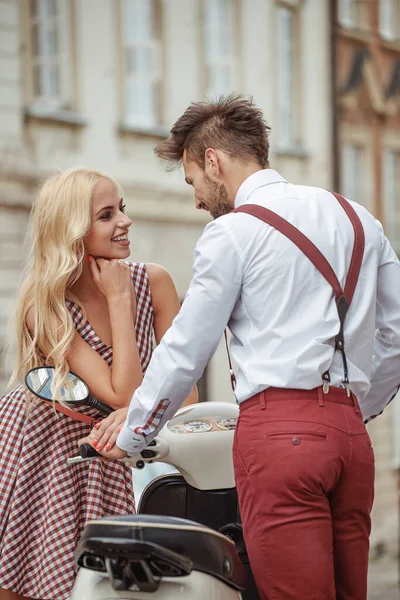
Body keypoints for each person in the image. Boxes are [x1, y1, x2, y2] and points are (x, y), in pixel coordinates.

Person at [81, 96, 400, 600]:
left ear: (214, 161)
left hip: (279, 440)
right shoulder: (357, 217)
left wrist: (136, 432)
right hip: (350, 439)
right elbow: (395, 336)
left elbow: (188, 347)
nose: (197, 201)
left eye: (193, 182)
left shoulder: (231, 233)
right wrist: (354, 408)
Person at [0, 167, 197, 600]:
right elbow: (123, 395)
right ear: (73, 232)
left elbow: (188, 394)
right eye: (106, 215)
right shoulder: (46, 302)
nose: (124, 221)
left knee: (104, 587)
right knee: (24, 582)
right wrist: (119, 300)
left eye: (121, 209)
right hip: (42, 448)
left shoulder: (157, 282)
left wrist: (123, 296)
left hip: (110, 453)